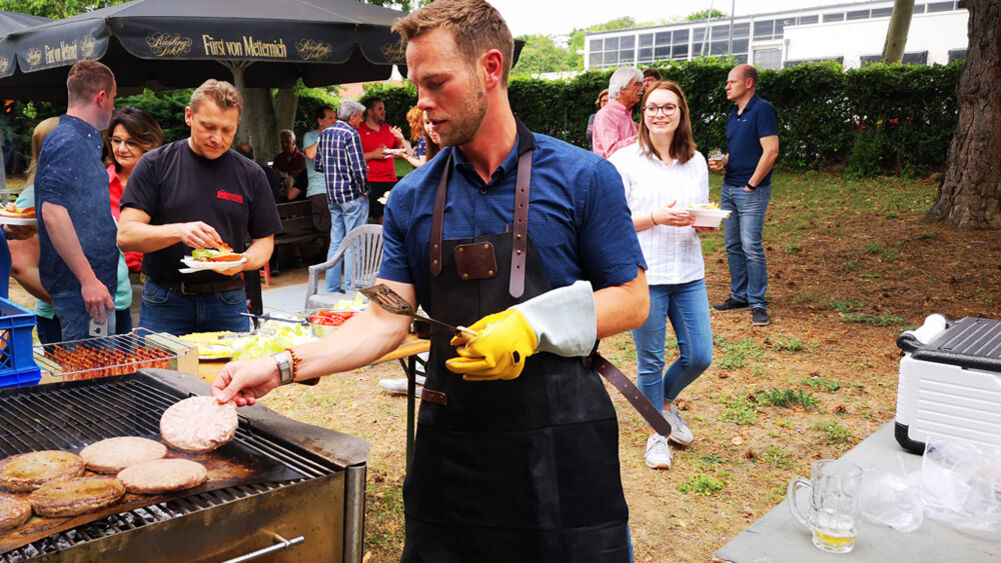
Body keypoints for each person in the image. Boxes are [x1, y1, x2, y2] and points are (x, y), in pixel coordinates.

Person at [212, 1, 649, 561]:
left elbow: (633, 300)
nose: (421, 103)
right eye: (417, 85)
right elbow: (383, 319)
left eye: (436, 83)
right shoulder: (411, 198)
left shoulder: (585, 178)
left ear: (491, 69)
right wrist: (281, 366)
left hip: (562, 439)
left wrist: (530, 325)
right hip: (454, 447)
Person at [118, 79, 282, 335]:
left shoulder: (251, 174)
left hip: (228, 299)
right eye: (208, 126)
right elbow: (126, 235)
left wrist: (243, 261)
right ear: (189, 116)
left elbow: (265, 242)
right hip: (165, 300)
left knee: (234, 374)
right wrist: (179, 231)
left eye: (227, 130)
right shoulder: (155, 164)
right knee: (159, 376)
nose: (217, 138)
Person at [609, 81, 714, 470]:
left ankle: (664, 406)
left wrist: (704, 224)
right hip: (646, 275)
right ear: (643, 114)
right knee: (650, 361)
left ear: (680, 113)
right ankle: (657, 434)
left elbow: (699, 211)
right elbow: (614, 223)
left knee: (699, 354)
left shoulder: (696, 160)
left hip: (688, 271)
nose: (660, 114)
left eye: (668, 107)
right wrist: (655, 217)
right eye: (652, 107)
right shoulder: (625, 161)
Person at [35, 60, 119, 341]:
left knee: (101, 380)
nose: (113, 108)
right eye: (114, 99)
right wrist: (88, 280)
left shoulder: (77, 140)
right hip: (82, 295)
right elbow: (52, 212)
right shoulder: (68, 140)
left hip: (91, 292)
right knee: (91, 383)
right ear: (102, 97)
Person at [709, 64, 779, 327]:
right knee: (733, 245)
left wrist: (751, 185)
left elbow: (770, 151)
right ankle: (740, 296)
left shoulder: (762, 109)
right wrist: (723, 162)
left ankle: (758, 302)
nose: (727, 86)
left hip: (751, 191)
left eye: (731, 82)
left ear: (748, 83)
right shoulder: (733, 114)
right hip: (729, 187)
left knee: (751, 247)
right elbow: (737, 153)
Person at [314, 99, 368, 293]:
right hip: (352, 195)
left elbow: (318, 165)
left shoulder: (325, 133)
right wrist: (364, 189)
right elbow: (359, 167)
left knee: (336, 241)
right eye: (360, 117)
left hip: (332, 196)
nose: (361, 121)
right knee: (355, 243)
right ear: (352, 117)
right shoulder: (351, 134)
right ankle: (353, 288)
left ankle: (331, 287)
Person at [358, 97, 403, 223]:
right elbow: (351, 158)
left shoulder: (388, 129)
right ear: (370, 112)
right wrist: (372, 155)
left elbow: (399, 148)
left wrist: (401, 146)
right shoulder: (358, 131)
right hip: (371, 181)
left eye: (384, 109)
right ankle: (381, 242)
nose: (383, 112)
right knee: (381, 218)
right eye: (379, 109)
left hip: (391, 179)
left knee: (394, 215)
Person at [592, 66, 643, 158]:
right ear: (622, 88)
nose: (641, 89)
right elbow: (613, 151)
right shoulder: (606, 115)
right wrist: (641, 138)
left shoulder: (625, 114)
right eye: (637, 85)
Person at [302, 106, 336, 238]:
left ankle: (336, 257)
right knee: (326, 228)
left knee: (339, 228)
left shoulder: (337, 137)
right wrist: (325, 136)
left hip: (337, 189)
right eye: (330, 118)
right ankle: (332, 257)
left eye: (335, 117)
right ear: (320, 121)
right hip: (319, 190)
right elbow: (310, 154)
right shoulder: (310, 136)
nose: (334, 121)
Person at [271, 129, 307, 201]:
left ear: (294, 142)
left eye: (287, 142)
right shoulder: (278, 158)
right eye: (282, 142)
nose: (284, 145)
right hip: (281, 193)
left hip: (298, 195)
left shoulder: (302, 158)